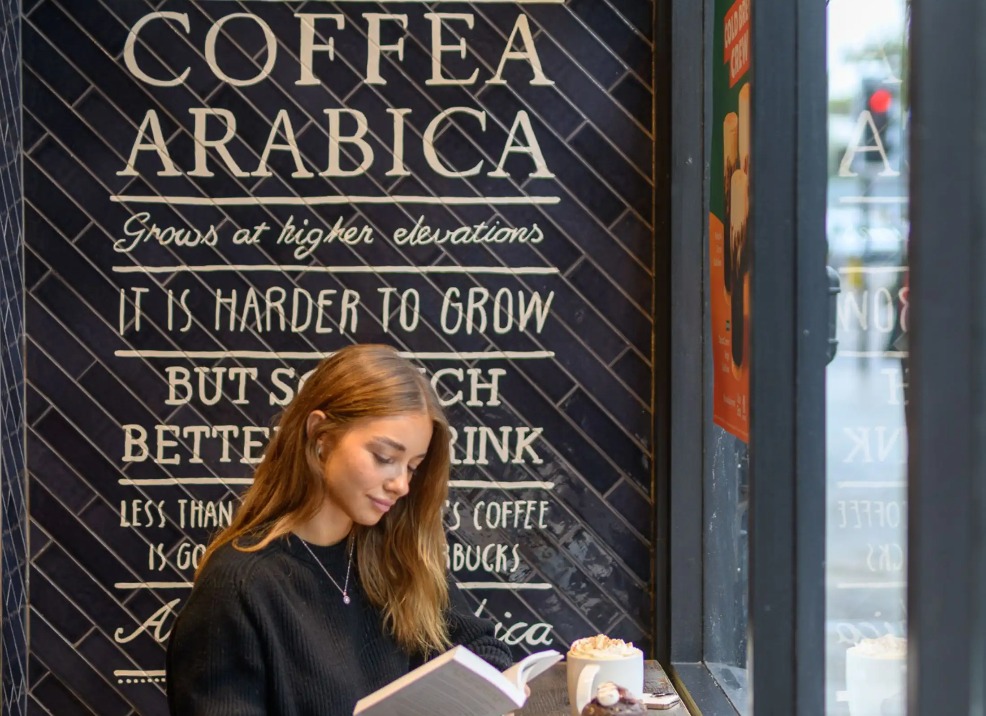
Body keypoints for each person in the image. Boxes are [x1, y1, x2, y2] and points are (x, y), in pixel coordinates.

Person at [166, 344, 512, 715]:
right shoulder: (239, 586)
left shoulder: (397, 555)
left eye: (412, 466)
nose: (401, 485)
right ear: (320, 435)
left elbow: (483, 652)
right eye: (385, 458)